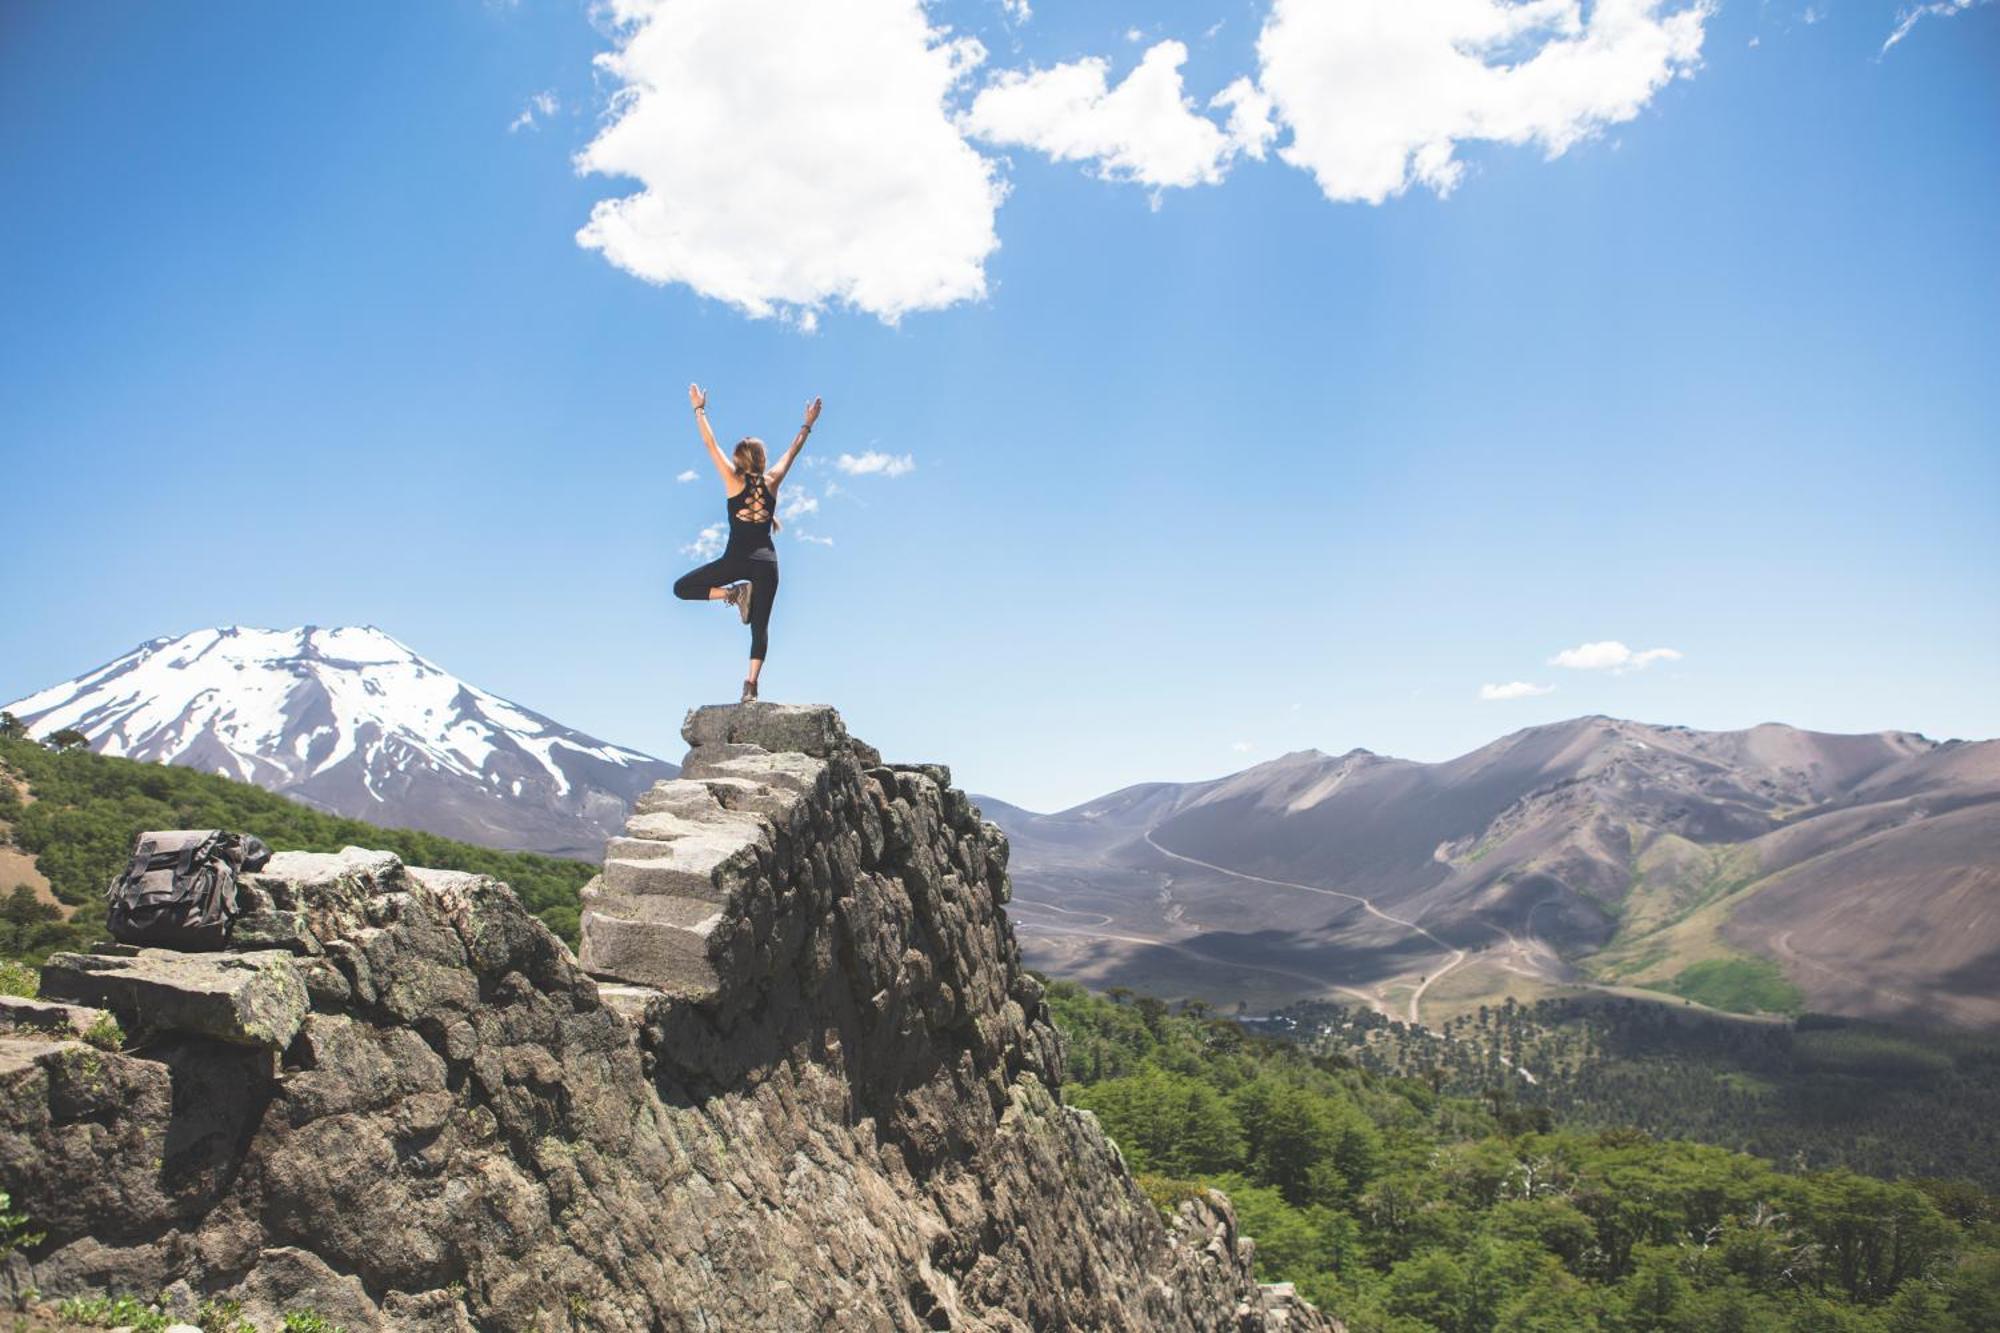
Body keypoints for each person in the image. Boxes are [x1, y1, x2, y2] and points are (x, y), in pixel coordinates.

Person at [672, 383, 822, 703]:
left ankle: (732, 593)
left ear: (740, 459)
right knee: (760, 627)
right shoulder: (773, 481)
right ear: (762, 458)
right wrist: (808, 423)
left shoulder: (732, 479)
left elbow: (710, 444)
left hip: (735, 562)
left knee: (681, 588)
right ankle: (750, 687)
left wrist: (699, 409)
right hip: (767, 563)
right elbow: (793, 451)